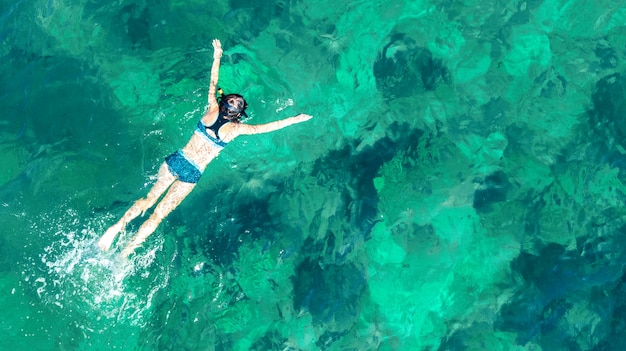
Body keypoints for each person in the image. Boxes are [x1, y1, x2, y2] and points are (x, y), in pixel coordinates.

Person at [98, 39, 312, 257]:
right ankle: (126, 253)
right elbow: (263, 128)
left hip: (176, 160)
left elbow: (212, 82)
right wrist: (295, 119)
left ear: (223, 102)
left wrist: (217, 53)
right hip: (192, 173)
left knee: (148, 200)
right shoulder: (235, 130)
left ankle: (115, 228)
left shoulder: (211, 106)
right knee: (157, 216)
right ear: (238, 115)